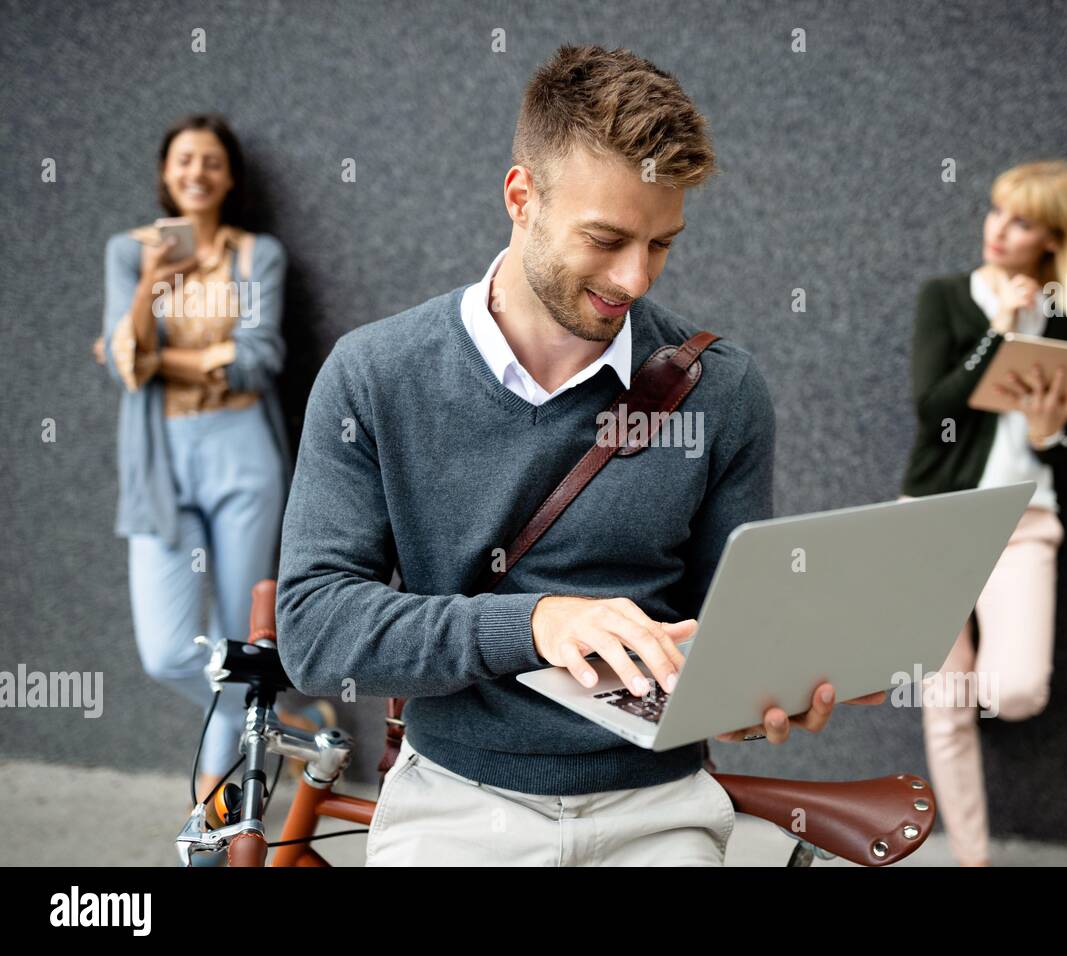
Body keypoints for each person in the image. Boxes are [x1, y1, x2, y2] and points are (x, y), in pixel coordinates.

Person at [276, 44, 883, 867]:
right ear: (521, 197)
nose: (634, 277)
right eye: (606, 238)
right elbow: (316, 630)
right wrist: (534, 622)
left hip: (661, 811)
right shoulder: (375, 374)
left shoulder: (722, 389)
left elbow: (720, 631)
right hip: (458, 801)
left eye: (662, 243)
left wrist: (758, 687)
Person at [97, 113, 317, 806]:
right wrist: (150, 292)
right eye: (185, 160)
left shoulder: (258, 256)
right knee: (169, 652)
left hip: (241, 455)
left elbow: (256, 362)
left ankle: (217, 828)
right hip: (161, 460)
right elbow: (125, 367)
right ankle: (279, 721)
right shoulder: (129, 253)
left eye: (212, 161)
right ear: (165, 172)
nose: (197, 172)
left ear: (231, 177)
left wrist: (156, 357)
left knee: (235, 636)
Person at [899, 159, 1067, 866]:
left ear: (1053, 238)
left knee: (1014, 690)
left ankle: (947, 673)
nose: (998, 230)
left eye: (1020, 221)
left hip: (1026, 521)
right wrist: (1000, 327)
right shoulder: (947, 298)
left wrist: (1050, 433)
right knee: (946, 707)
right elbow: (933, 409)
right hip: (937, 520)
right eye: (995, 211)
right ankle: (972, 860)